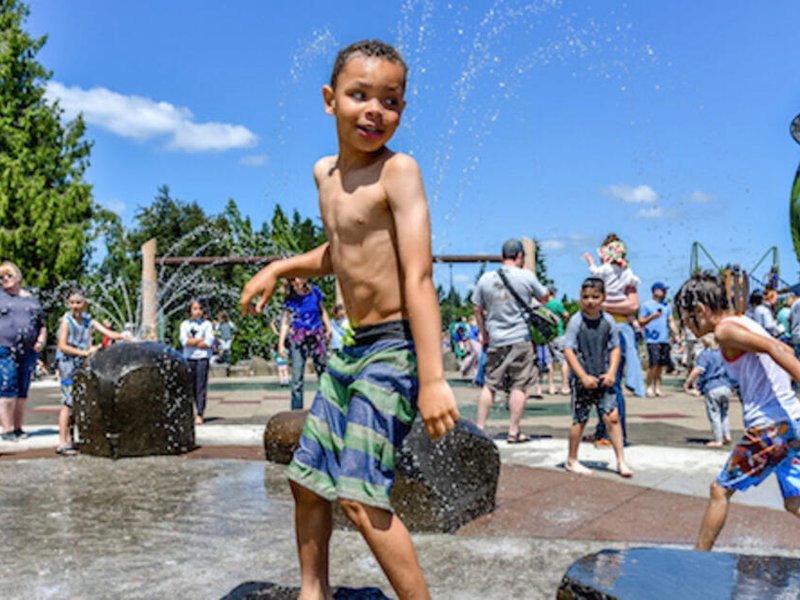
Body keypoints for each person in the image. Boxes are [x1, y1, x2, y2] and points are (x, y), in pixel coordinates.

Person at [239, 39, 459, 599]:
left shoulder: (398, 172)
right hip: (353, 346)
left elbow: (419, 277)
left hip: (394, 348)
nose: (374, 110)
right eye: (359, 95)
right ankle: (314, 594)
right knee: (307, 480)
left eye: (390, 100)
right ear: (329, 99)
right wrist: (280, 267)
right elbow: (340, 250)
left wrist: (433, 379)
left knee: (360, 496)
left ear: (402, 110)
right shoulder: (326, 177)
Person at [674, 272, 800, 551]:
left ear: (700, 311)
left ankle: (697, 560)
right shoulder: (746, 322)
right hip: (793, 421)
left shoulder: (725, 331)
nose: (686, 325)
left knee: (719, 490)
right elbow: (781, 347)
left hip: (769, 428)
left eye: (686, 318)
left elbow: (773, 347)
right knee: (795, 502)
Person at [473, 238, 550, 443]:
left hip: (496, 338)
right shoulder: (526, 276)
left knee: (489, 385)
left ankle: (480, 428)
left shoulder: (486, 279)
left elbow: (477, 309)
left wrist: (484, 333)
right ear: (519, 256)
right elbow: (545, 298)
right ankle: (513, 431)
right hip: (519, 338)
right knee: (519, 385)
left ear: (501, 256)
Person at [563, 277, 633, 477]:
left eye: (595, 297)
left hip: (603, 377)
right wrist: (582, 375)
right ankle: (572, 459)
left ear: (604, 298)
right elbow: (568, 350)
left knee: (612, 418)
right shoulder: (576, 321)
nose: (590, 301)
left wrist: (612, 372)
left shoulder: (608, 321)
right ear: (580, 298)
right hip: (583, 379)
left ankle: (621, 460)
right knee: (580, 420)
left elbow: (615, 348)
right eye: (585, 297)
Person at [55, 288, 130, 455]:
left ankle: (71, 439)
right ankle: (62, 441)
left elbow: (107, 332)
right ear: (68, 304)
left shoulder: (89, 320)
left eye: (79, 302)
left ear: (85, 304)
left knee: (78, 401)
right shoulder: (67, 321)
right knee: (68, 402)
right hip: (68, 365)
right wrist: (85, 352)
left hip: (81, 364)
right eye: (72, 302)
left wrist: (124, 337)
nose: (75, 306)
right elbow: (62, 345)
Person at [0, 261, 46, 442]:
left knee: (22, 388)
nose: (4, 279)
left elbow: (41, 325)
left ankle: (18, 427)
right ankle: (6, 429)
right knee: (7, 385)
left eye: (8, 275)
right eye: (1, 277)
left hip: (27, 350)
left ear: (18, 277)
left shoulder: (31, 299)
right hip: (4, 348)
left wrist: (41, 340)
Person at [278, 277, 332, 410]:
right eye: (293, 279)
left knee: (323, 374)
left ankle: (327, 408)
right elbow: (285, 322)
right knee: (296, 378)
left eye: (299, 277)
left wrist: (329, 328)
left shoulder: (315, 291)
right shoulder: (289, 298)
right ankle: (296, 411)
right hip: (298, 338)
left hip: (316, 336)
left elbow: (323, 311)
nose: (297, 281)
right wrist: (281, 344)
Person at [683, 334, 733, 448]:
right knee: (724, 413)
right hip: (726, 386)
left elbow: (698, 370)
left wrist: (688, 383)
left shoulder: (705, 354)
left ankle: (718, 439)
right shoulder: (724, 353)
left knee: (714, 414)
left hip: (712, 387)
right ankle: (727, 434)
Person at [639, 282, 679, 397]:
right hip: (652, 340)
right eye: (662, 290)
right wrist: (652, 317)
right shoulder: (646, 305)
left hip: (664, 339)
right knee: (653, 364)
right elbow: (641, 321)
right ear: (655, 291)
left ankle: (658, 387)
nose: (665, 293)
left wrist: (675, 333)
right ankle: (648, 386)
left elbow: (670, 320)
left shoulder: (666, 306)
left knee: (661, 365)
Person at [180, 299, 215, 425]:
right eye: (195, 309)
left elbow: (208, 343)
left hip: (202, 359)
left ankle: (200, 413)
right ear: (189, 310)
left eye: (200, 309)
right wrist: (200, 340)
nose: (198, 311)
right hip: (188, 359)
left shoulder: (207, 324)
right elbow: (184, 342)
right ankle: (189, 413)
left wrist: (193, 341)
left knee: (200, 387)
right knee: (189, 388)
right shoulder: (184, 324)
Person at [545, 285, 571, 395]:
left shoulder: (542, 305)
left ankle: (551, 386)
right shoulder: (557, 304)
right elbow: (566, 314)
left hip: (546, 336)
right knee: (563, 361)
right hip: (558, 334)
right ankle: (565, 386)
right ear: (554, 293)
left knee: (549, 362)